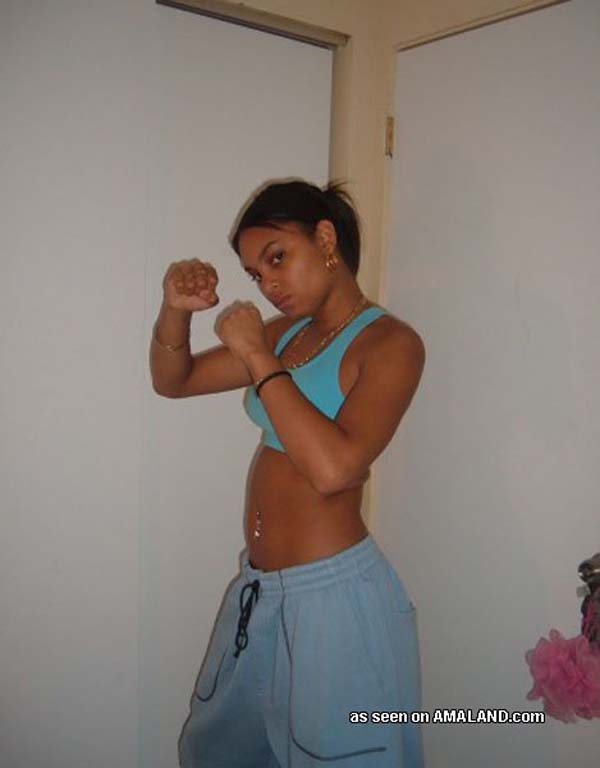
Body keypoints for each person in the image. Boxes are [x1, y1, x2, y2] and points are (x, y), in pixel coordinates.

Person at [150, 179, 427, 767]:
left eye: (277, 258)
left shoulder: (390, 344)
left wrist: (257, 356)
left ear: (325, 240)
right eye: (255, 274)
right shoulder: (288, 335)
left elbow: (334, 469)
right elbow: (174, 380)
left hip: (334, 600)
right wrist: (175, 310)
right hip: (261, 590)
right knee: (223, 752)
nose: (268, 285)